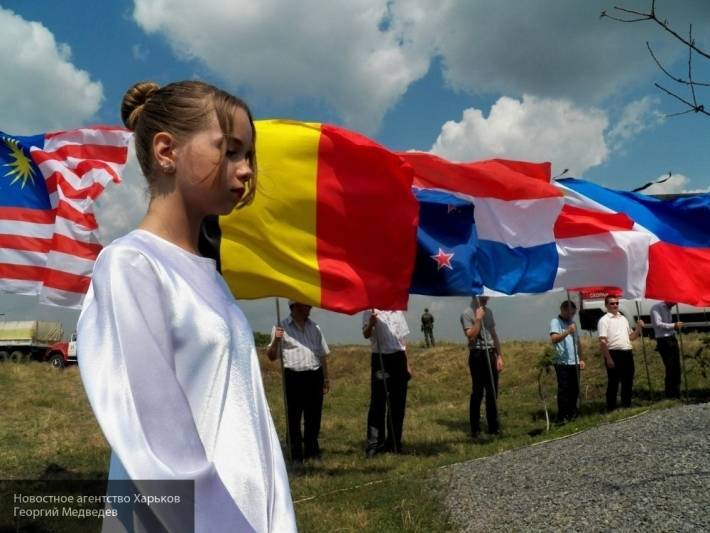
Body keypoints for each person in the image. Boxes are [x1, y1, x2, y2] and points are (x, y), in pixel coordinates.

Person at [77, 80, 296, 532]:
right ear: (165, 151)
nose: (247, 170)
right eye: (230, 150)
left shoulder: (209, 277)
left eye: (248, 155)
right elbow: (157, 439)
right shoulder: (131, 266)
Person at [267, 301, 330, 463]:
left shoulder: (315, 328)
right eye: (306, 305)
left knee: (313, 416)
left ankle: (312, 451)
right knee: (293, 416)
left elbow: (322, 354)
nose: (310, 307)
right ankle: (295, 453)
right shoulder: (281, 327)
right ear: (294, 306)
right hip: (293, 376)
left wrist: (325, 377)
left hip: (314, 375)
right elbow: (272, 356)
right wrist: (276, 341)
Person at [362, 309, 412, 457]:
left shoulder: (397, 311)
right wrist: (371, 324)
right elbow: (365, 334)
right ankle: (374, 444)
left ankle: (394, 442)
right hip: (380, 357)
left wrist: (407, 364)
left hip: (398, 358)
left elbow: (402, 340)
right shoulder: (370, 310)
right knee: (378, 402)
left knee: (398, 403)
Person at [460, 297, 504, 438]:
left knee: (492, 391)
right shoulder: (467, 313)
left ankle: (493, 427)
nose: (487, 298)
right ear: (476, 296)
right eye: (484, 296)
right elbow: (471, 336)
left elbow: (494, 334)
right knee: (478, 392)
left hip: (490, 352)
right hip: (478, 354)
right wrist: (478, 319)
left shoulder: (489, 312)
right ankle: (475, 429)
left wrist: (499, 355)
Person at [598, 295, 644, 411]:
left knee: (628, 380)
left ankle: (626, 405)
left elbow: (631, 337)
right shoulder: (604, 320)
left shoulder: (623, 319)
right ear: (606, 305)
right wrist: (608, 358)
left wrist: (638, 328)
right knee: (613, 381)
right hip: (613, 352)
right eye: (612, 303)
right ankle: (611, 407)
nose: (615, 306)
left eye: (616, 303)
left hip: (627, 352)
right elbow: (603, 341)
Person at [549, 300, 585, 423]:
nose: (571, 316)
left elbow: (577, 342)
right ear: (563, 310)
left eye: (573, 313)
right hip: (562, 361)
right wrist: (567, 331)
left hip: (574, 361)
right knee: (564, 389)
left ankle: (573, 413)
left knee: (575, 389)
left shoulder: (573, 323)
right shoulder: (556, 322)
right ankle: (562, 415)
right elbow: (554, 338)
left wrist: (581, 358)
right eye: (570, 313)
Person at [650, 301, 683, 398]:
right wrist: (674, 325)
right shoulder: (657, 307)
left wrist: (674, 328)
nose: (676, 303)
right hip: (663, 340)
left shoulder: (669, 308)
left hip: (672, 338)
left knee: (677, 367)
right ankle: (670, 393)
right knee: (670, 367)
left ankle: (676, 391)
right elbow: (658, 324)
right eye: (674, 300)